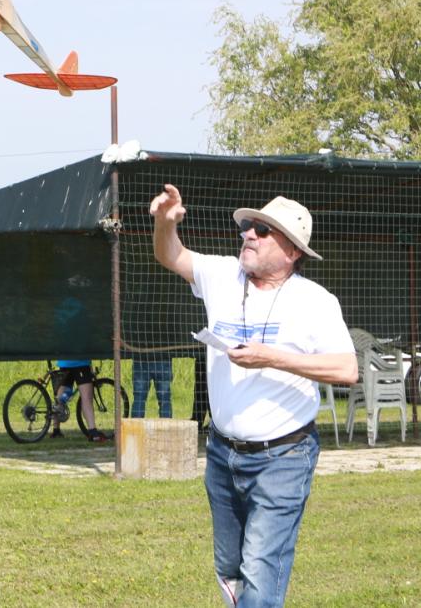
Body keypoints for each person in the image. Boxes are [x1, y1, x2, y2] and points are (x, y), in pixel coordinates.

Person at [150, 185, 356, 608]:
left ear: (292, 251)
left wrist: (273, 358)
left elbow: (346, 370)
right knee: (230, 568)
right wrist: (164, 223)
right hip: (223, 455)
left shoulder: (315, 301)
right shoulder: (224, 275)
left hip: (283, 456)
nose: (249, 234)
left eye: (263, 230)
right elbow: (171, 255)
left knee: (260, 570)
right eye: (249, 226)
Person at [51, 359, 109, 442]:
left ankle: (56, 430)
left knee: (60, 399)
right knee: (86, 399)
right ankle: (93, 432)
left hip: (64, 362)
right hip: (81, 362)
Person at [131, 355, 175, 419]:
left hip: (140, 358)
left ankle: (136, 426)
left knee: (139, 397)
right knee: (164, 397)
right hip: (163, 357)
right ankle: (166, 426)